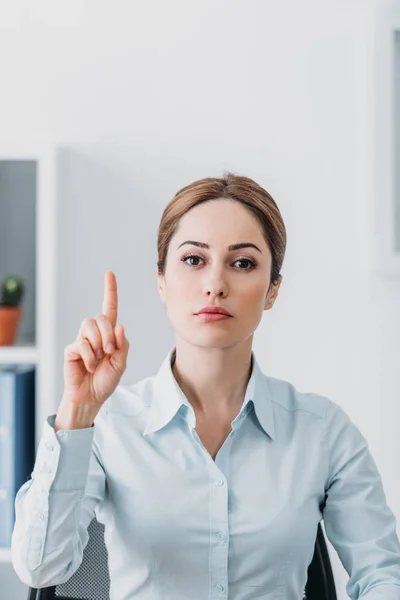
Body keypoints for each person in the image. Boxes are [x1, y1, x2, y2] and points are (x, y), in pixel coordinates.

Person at [11, 173, 400, 599]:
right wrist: (78, 414)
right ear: (161, 280)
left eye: (243, 263)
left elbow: (383, 576)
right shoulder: (107, 427)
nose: (215, 283)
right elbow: (41, 568)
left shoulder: (323, 431)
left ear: (272, 290)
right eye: (194, 260)